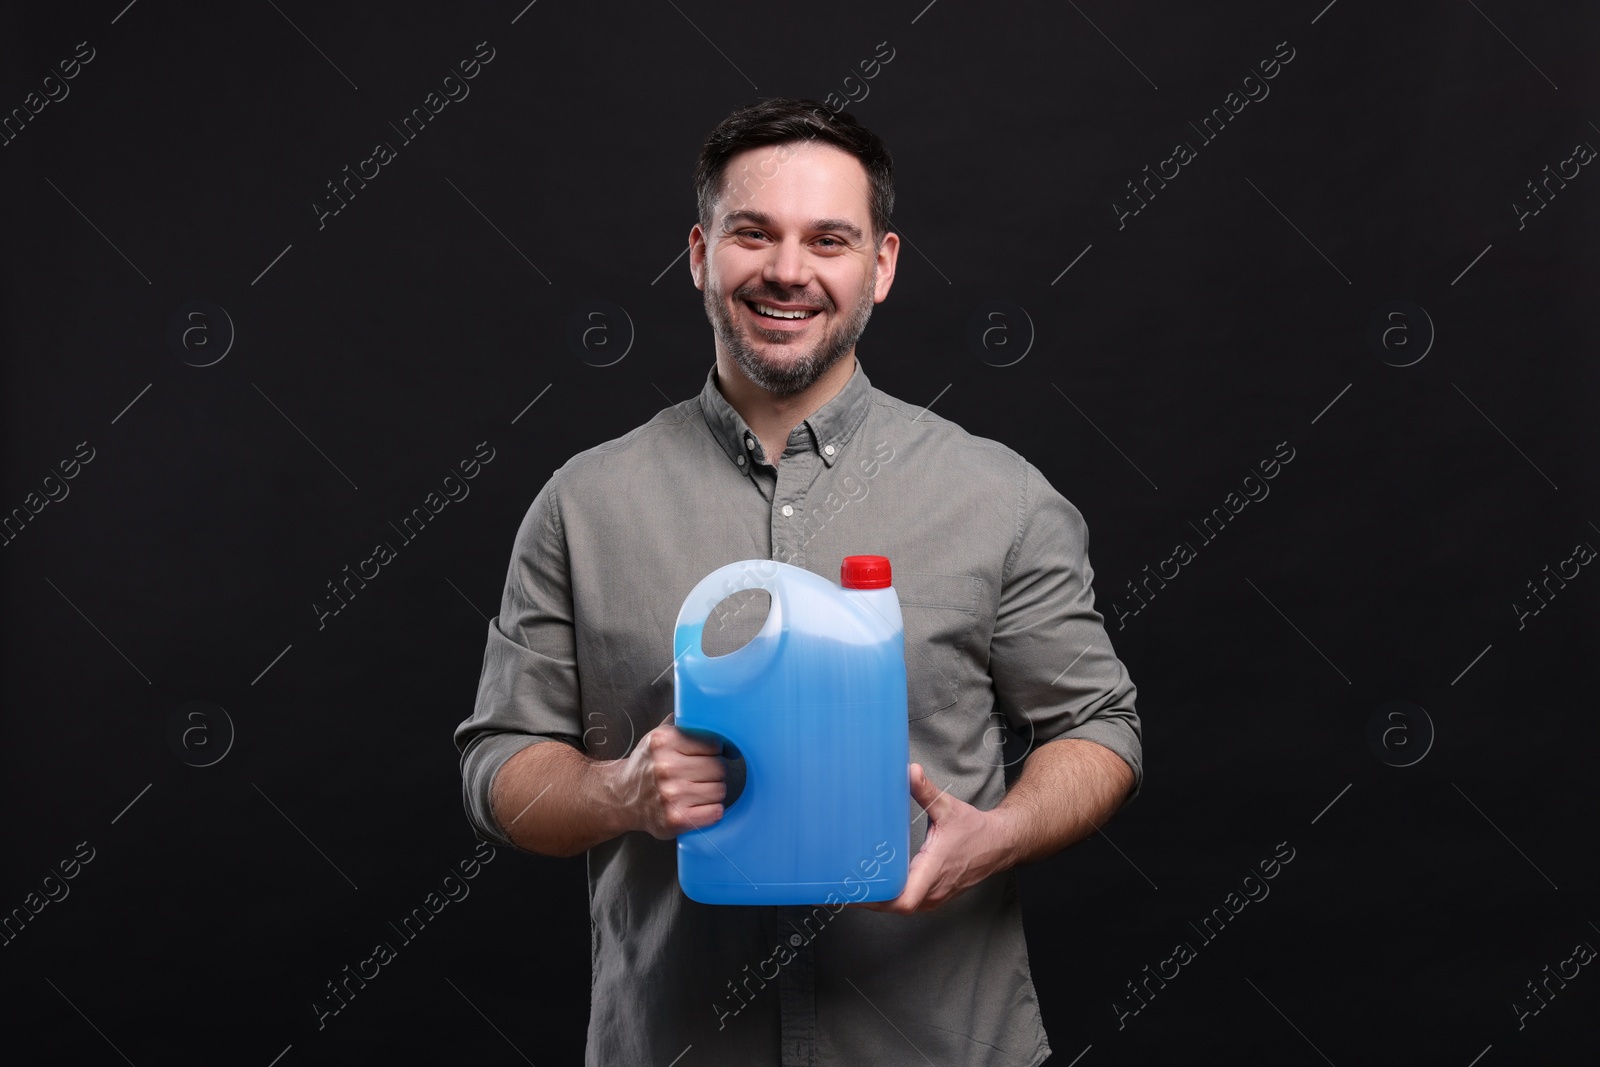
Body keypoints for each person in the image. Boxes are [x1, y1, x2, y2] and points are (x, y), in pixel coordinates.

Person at [455, 97, 1142, 1066]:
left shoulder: (998, 495)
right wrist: (620, 791)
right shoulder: (583, 504)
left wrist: (1002, 830)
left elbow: (1098, 724)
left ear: (882, 266)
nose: (787, 270)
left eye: (829, 238)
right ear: (700, 255)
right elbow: (499, 765)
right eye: (753, 233)